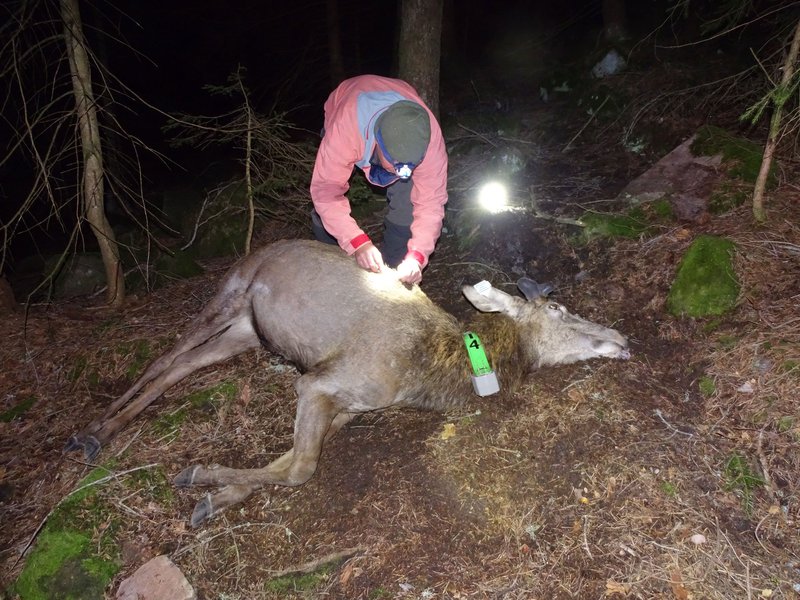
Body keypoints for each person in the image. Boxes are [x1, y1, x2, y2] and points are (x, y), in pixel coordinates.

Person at [310, 74, 448, 284]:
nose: (403, 173)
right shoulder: (344, 132)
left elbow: (431, 203)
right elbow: (326, 193)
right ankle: (330, 270)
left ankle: (394, 271)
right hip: (346, 107)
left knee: (406, 203)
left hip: (400, 101)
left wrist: (417, 256)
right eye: (397, 165)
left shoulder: (429, 143)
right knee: (325, 209)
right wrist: (358, 242)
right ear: (378, 143)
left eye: (410, 166)